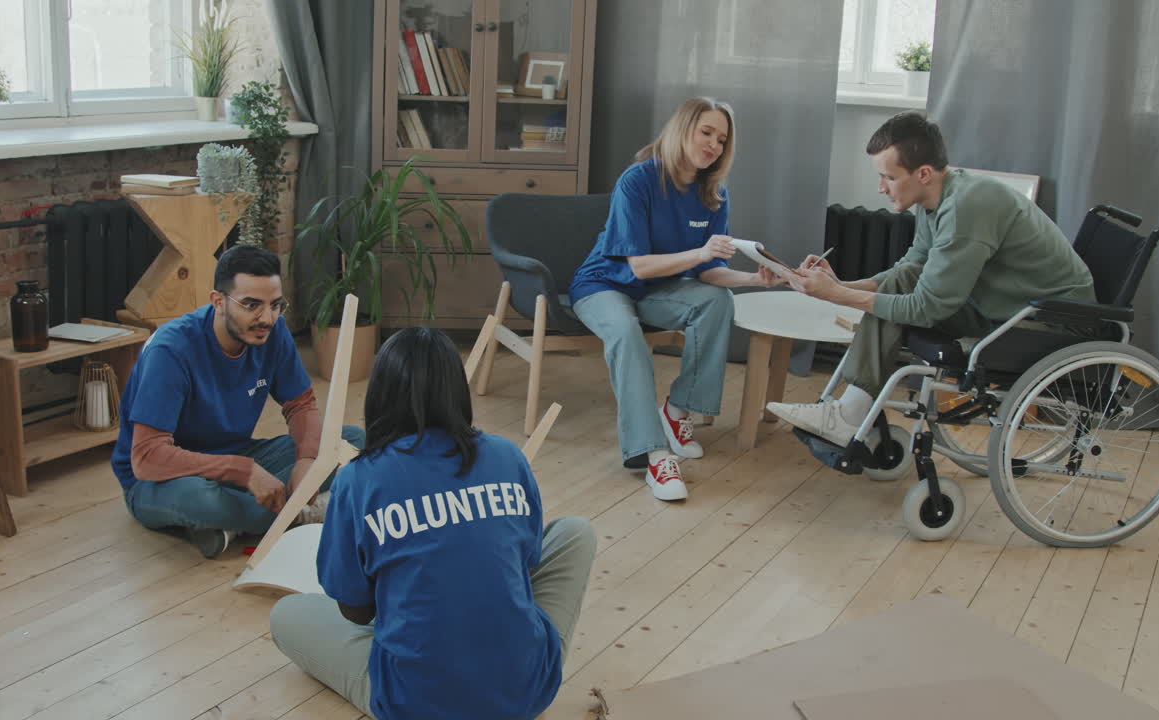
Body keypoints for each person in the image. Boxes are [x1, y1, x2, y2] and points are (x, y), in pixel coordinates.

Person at [269, 327, 596, 720]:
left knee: (286, 615)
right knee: (576, 531)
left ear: (379, 395)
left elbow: (355, 612)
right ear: (457, 390)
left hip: (417, 704)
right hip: (525, 693)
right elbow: (524, 565)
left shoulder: (359, 478)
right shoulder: (508, 456)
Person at [769, 111, 1095, 446]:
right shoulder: (936, 198)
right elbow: (911, 269)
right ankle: (848, 412)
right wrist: (839, 285)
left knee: (902, 303)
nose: (880, 188)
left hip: (1050, 323)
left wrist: (834, 296)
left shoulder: (966, 208)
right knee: (898, 287)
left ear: (923, 173)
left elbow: (926, 307)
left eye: (888, 178)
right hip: (1004, 307)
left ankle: (848, 414)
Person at [567, 96, 778, 501]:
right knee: (626, 333)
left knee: (718, 301)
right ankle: (652, 453)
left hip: (656, 291)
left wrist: (755, 278)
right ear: (683, 129)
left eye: (721, 138)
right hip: (603, 285)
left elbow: (707, 272)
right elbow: (640, 266)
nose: (713, 144)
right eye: (706, 132)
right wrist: (701, 252)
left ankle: (678, 410)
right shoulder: (638, 180)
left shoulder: (714, 194)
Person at [111, 245, 362, 558]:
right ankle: (301, 510)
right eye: (251, 305)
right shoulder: (171, 351)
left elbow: (300, 404)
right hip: (160, 478)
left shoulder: (273, 331)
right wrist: (244, 472)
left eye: (275, 305)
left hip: (235, 452)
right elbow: (147, 457)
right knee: (206, 501)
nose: (266, 318)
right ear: (218, 301)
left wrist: (306, 461)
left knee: (352, 441)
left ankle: (231, 525)